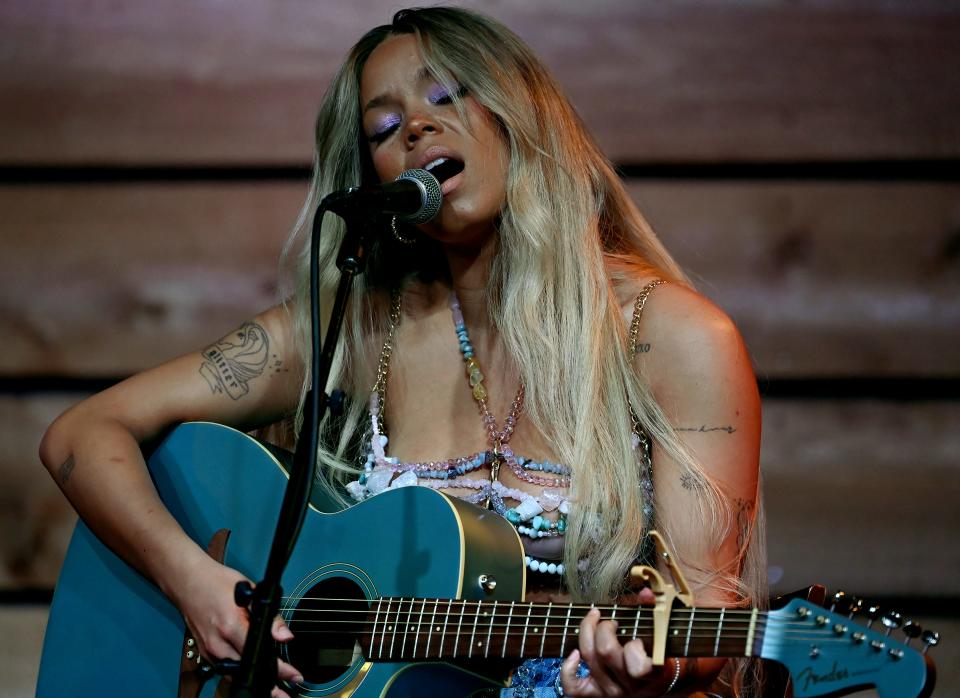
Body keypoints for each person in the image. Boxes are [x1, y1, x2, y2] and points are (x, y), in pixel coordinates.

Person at [40, 7, 764, 697]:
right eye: (385, 128)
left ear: (523, 114)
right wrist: (194, 584)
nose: (417, 126)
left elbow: (712, 613)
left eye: (448, 94)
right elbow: (82, 434)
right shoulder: (352, 332)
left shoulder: (670, 337)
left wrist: (653, 675)